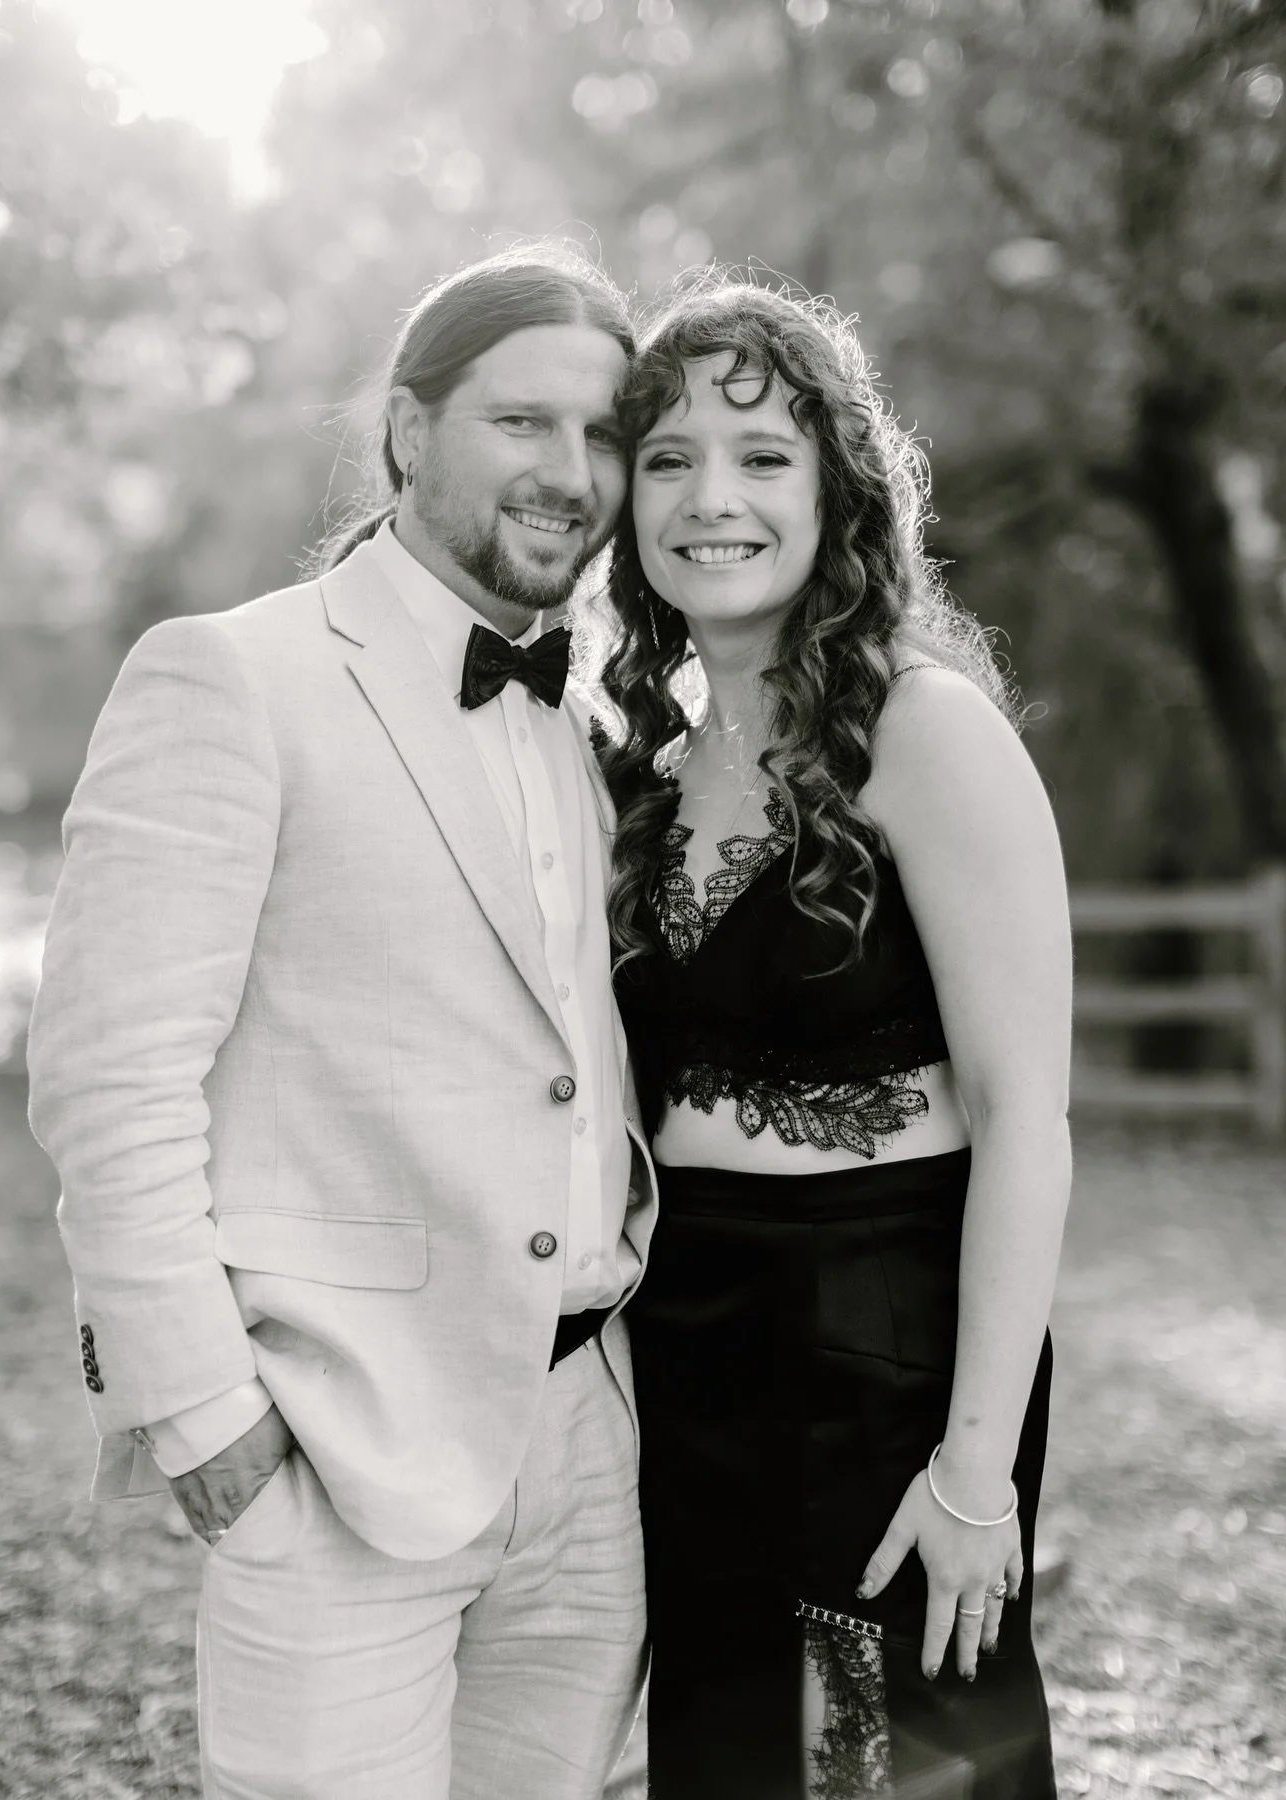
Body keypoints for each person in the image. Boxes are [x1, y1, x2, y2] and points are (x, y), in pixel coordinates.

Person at [27, 247, 658, 1800]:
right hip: (335, 1449)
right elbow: (111, 1079)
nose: (570, 475)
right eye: (522, 423)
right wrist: (203, 1417)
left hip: (593, 1445)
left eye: (602, 437)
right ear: (405, 430)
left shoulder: (596, 728)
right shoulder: (233, 678)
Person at [590, 276, 1072, 1799]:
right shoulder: (650, 765)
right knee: (734, 1754)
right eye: (667, 459)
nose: (709, 498)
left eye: (761, 456)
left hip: (884, 1344)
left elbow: (1025, 1116)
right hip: (684, 1341)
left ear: (836, 492)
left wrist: (978, 1470)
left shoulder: (927, 733)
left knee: (879, 1756)